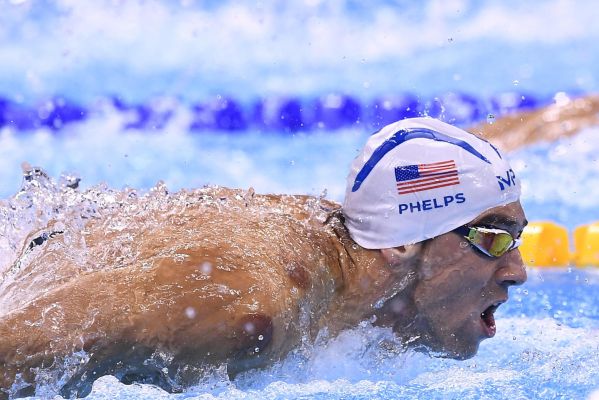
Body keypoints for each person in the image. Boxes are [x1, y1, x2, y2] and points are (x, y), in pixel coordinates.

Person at [0, 117, 527, 398]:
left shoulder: (356, 290)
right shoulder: (242, 311)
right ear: (402, 244)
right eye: (493, 239)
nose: (517, 272)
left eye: (520, 238)